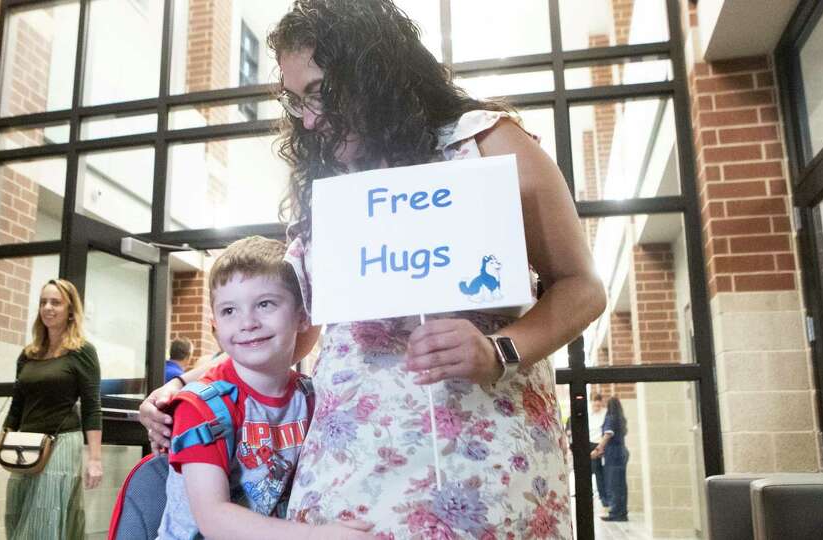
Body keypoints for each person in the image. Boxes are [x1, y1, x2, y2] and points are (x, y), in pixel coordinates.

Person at [141, 0, 606, 537]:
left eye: (320, 93)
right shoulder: (328, 177)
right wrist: (191, 388)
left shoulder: (483, 142)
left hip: (480, 458)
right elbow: (304, 328)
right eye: (296, 102)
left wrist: (498, 350)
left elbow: (581, 287)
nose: (310, 119)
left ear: (375, 71)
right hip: (347, 467)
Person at [157, 236, 373, 539]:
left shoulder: (311, 397)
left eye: (265, 304)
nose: (247, 322)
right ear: (215, 325)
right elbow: (213, 517)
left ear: (302, 317)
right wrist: (315, 536)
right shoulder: (200, 408)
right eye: (229, 311)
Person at [0, 279, 103, 539]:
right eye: (43, 302)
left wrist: (94, 459)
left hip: (61, 443)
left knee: (46, 518)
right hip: (24, 444)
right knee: (18, 514)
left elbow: (92, 407)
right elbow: (16, 409)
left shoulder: (82, 352)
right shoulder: (29, 354)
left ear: (70, 310)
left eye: (55, 302)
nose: (48, 307)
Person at [591, 397, 629, 522]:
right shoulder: (621, 419)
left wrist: (597, 450)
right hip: (621, 452)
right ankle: (622, 512)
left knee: (613, 484)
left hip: (613, 455)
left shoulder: (610, 418)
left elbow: (608, 435)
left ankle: (616, 513)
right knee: (621, 485)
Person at [589, 392, 609, 508]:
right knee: (593, 472)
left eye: (598, 405)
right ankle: (598, 496)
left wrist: (601, 447)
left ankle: (605, 497)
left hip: (600, 444)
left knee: (601, 472)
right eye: (595, 405)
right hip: (590, 443)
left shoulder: (605, 413)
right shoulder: (589, 414)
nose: (596, 407)